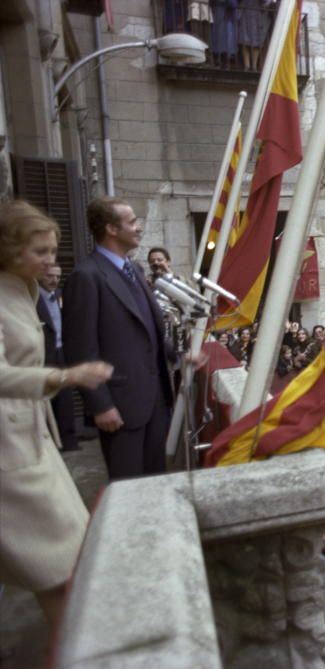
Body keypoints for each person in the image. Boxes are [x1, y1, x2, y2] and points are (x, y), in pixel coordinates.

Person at [0, 200, 113, 630]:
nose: (52, 260)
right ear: (11, 249)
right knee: (57, 569)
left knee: (66, 560)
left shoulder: (24, 287)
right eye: (41, 251)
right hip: (11, 454)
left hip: (31, 441)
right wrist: (64, 377)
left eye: (53, 250)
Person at [63, 196, 176, 480]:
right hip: (120, 407)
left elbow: (149, 330)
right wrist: (101, 405)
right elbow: (81, 348)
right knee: (127, 489)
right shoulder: (86, 277)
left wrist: (181, 357)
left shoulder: (135, 270)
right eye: (132, 222)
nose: (138, 228)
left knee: (156, 481)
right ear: (112, 229)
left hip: (155, 402)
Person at [36, 263, 78, 451]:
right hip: (44, 353)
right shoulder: (32, 297)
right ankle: (50, 442)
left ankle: (69, 439)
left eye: (57, 277)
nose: (54, 280)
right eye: (49, 276)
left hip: (63, 351)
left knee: (65, 398)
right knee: (46, 398)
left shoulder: (62, 295)